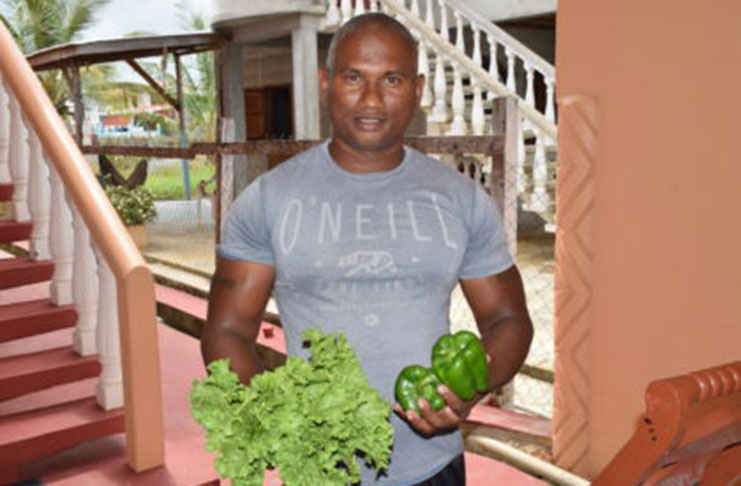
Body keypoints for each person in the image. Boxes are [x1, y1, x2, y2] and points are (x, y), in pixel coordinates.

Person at [201, 12, 533, 486]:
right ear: (325, 82)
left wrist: (470, 389)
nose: (371, 99)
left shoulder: (459, 198)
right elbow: (227, 329)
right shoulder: (269, 199)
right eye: (354, 77)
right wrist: (275, 416)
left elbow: (507, 319)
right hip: (317, 471)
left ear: (418, 89)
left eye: (391, 79)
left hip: (433, 466)